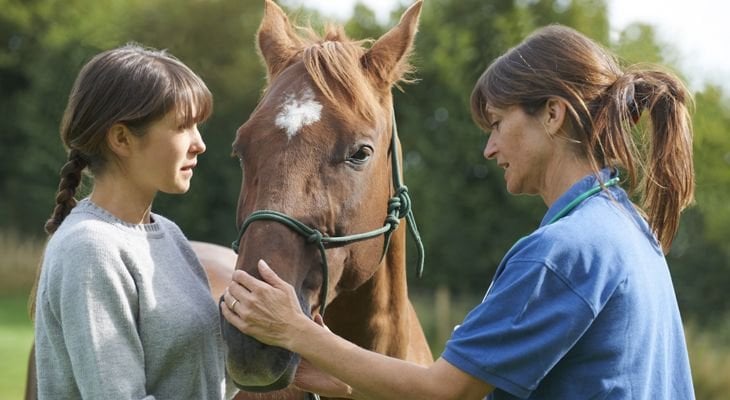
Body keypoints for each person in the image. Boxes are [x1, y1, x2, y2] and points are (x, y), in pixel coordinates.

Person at [220, 24, 696, 399]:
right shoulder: (627, 228)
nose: (489, 149)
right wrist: (350, 383)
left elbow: (444, 394)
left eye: (498, 123)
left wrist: (295, 330)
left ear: (552, 115)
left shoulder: (561, 253)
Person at [32, 43, 234, 399]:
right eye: (183, 126)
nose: (199, 144)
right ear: (122, 138)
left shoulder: (169, 235)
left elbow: (200, 384)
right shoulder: (90, 249)